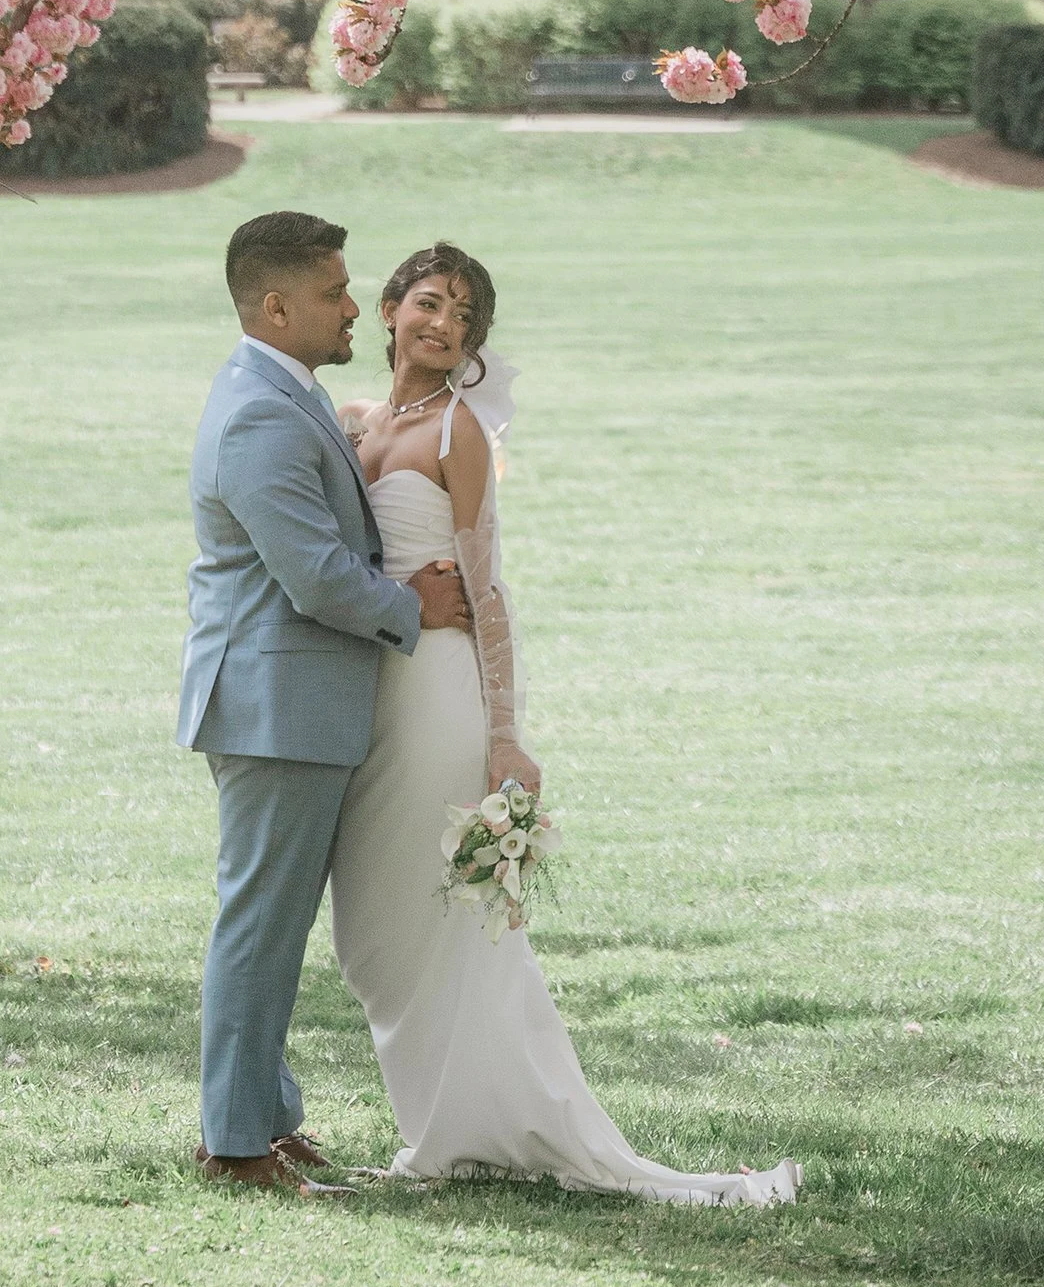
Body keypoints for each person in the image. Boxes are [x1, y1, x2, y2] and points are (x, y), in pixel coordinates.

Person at [329, 239, 800, 1205]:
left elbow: (487, 585)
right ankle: (444, 1123)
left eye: (462, 316)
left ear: (471, 345)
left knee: (441, 921)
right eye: (427, 301)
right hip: (365, 687)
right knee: (373, 930)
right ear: (387, 310)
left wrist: (507, 734)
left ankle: (465, 1133)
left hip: (439, 696)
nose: (441, 323)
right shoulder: (347, 422)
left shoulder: (460, 433)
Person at [179, 207, 472, 1193]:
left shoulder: (282, 388)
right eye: (334, 292)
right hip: (275, 702)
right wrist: (411, 603)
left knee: (272, 921)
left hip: (291, 702)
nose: (358, 307)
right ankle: (232, 1143)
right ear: (275, 305)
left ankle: (264, 1114)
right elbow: (310, 571)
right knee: (258, 923)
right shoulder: (261, 408)